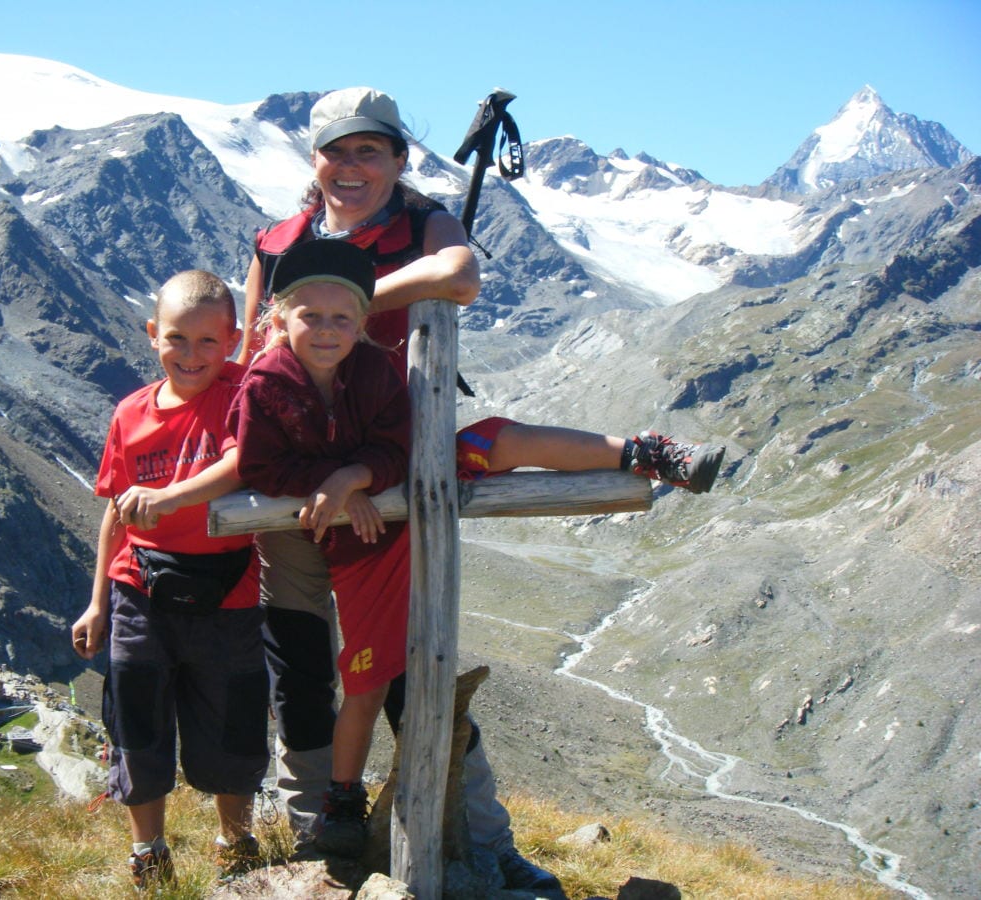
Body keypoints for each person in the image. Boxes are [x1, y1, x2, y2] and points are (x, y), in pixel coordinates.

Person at [238, 86, 724, 896]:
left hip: (393, 463)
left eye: (371, 151)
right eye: (337, 151)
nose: (352, 167)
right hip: (296, 485)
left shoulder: (422, 223)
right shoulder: (275, 242)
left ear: (398, 158)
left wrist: (346, 296)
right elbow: (256, 351)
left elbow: (458, 276)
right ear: (313, 158)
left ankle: (480, 843)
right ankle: (315, 838)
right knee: (299, 668)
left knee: (405, 668)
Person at [70, 270, 269, 891]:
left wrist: (169, 496)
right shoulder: (130, 413)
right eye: (177, 339)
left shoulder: (243, 392)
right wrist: (97, 600)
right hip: (138, 590)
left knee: (232, 722)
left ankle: (235, 845)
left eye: (210, 342)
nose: (192, 356)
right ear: (153, 334)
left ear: (234, 340)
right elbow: (114, 510)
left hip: (228, 591)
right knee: (137, 718)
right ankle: (148, 851)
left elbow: (241, 464)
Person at [231, 239, 411, 858]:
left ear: (364, 324)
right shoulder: (264, 383)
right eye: (311, 316)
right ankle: (314, 812)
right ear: (279, 319)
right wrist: (335, 484)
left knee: (373, 661)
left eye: (343, 319)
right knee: (303, 663)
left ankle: (346, 797)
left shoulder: (375, 373)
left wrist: (354, 479)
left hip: (363, 531)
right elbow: (258, 466)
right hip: (293, 536)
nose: (327, 331)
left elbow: (397, 446)